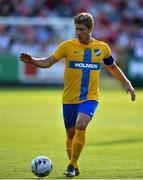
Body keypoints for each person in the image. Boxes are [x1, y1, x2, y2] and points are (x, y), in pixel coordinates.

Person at [19, 12, 136, 177]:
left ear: (90, 29)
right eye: (76, 29)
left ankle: (71, 165)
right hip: (69, 98)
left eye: (81, 29)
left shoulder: (102, 48)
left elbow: (112, 67)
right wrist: (32, 60)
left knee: (81, 125)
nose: (78, 32)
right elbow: (47, 62)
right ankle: (75, 164)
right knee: (71, 133)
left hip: (90, 97)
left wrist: (127, 83)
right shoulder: (67, 46)